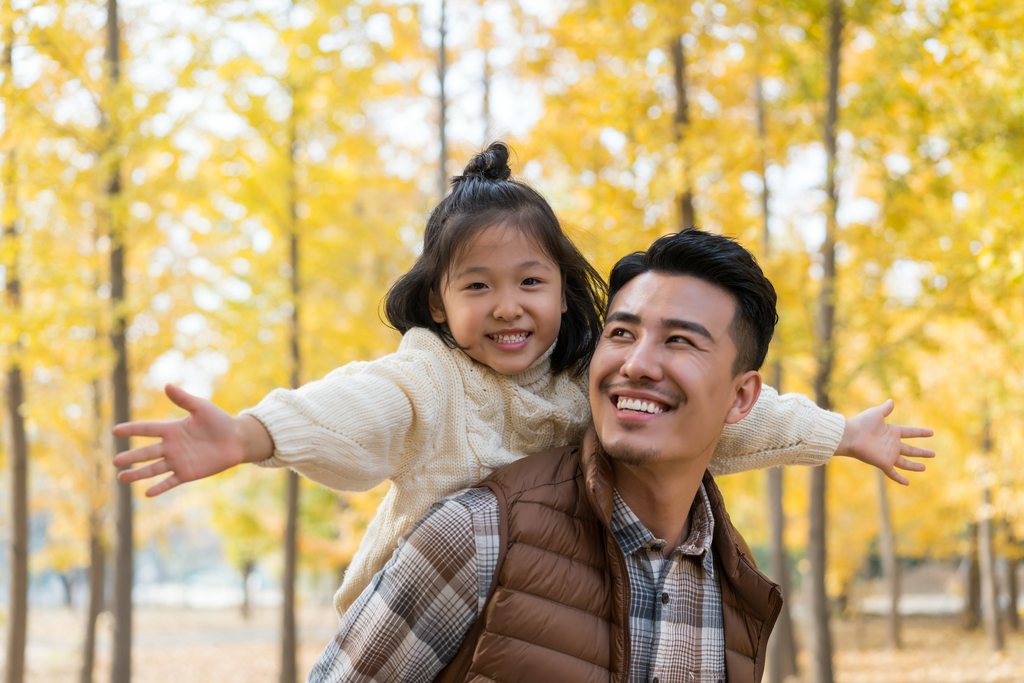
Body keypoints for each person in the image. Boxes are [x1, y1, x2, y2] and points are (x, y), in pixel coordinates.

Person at [112, 143, 920, 619]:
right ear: (438, 300)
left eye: (529, 282)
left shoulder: (583, 384)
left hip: (543, 608)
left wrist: (843, 434)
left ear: (564, 289)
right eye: (476, 286)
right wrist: (253, 434)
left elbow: (731, 418)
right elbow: (357, 406)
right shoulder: (431, 380)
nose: (507, 308)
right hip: (422, 614)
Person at [305, 228, 933, 683]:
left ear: (741, 398)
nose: (636, 363)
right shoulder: (476, 534)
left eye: (680, 341)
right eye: (622, 333)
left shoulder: (738, 596)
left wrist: (843, 434)